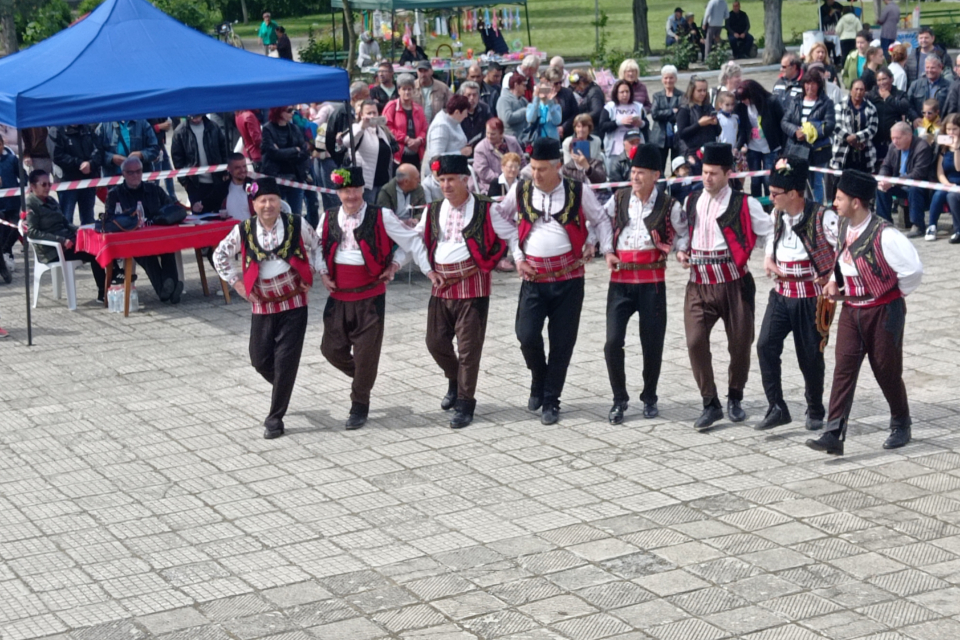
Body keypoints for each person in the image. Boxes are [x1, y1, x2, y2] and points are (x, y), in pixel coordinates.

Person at [496, 137, 614, 424]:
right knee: (526, 335)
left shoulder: (577, 189)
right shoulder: (522, 188)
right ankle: (539, 377)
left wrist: (597, 243)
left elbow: (601, 219)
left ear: (558, 167)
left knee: (562, 342)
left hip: (569, 277)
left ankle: (551, 399)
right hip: (533, 277)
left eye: (542, 169)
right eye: (533, 168)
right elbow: (498, 216)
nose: (535, 174)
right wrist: (517, 251)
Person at [806, 170, 922, 455]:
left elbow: (913, 271)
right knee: (843, 369)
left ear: (856, 202)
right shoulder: (844, 226)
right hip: (852, 309)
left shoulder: (886, 235)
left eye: (840, 198)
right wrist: (835, 282)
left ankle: (901, 422)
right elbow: (840, 261)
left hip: (883, 311)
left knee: (886, 369)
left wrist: (892, 294)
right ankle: (833, 434)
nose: (834, 203)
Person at [318, 166, 433, 429]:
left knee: (366, 352)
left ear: (363, 190)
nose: (351, 196)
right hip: (338, 297)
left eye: (356, 190)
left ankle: (359, 404)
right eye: (346, 191)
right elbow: (316, 247)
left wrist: (395, 265)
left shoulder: (381, 215)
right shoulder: (328, 217)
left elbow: (413, 241)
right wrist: (323, 273)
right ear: (338, 192)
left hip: (370, 297)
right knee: (330, 349)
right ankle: (363, 376)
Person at [214, 177, 321, 439]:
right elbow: (219, 255)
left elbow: (318, 246)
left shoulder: (296, 223)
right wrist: (237, 284)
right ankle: (283, 385)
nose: (268, 205)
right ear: (254, 204)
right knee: (259, 358)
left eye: (272, 199)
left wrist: (316, 274)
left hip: (294, 302)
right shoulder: (244, 229)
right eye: (262, 200)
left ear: (279, 201)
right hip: (261, 304)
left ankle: (275, 419)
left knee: (285, 359)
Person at [416, 155, 519, 428]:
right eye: (442, 181)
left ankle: (465, 403)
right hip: (441, 284)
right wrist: (407, 266)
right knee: (435, 342)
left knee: (469, 349)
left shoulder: (487, 208)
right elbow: (414, 240)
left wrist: (519, 259)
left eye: (451, 180)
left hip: (473, 284)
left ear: (466, 180)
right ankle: (454, 378)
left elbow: (512, 233)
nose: (446, 186)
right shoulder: (433, 209)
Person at [676, 142, 773, 430]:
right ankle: (710, 403)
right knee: (695, 342)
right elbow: (684, 232)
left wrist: (769, 258)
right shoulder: (692, 200)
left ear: (728, 174)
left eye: (714, 173)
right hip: (699, 282)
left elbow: (769, 231)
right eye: (704, 172)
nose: (707, 178)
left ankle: (735, 395)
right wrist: (682, 249)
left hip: (733, 281)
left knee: (741, 344)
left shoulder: (745, 203)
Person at [603, 144, 688, 424]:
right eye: (633, 171)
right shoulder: (619, 198)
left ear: (655, 175)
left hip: (652, 281)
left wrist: (681, 250)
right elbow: (602, 221)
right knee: (612, 342)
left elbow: (683, 232)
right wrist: (607, 250)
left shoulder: (669, 204)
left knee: (652, 342)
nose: (635, 177)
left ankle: (649, 396)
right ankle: (619, 399)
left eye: (641, 173)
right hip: (620, 280)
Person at [756, 159, 838, 432]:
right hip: (781, 291)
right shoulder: (777, 214)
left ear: (793, 193)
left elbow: (844, 248)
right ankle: (777, 407)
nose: (770, 198)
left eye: (775, 193)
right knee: (765, 345)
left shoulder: (823, 216)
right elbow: (770, 236)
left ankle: (815, 408)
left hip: (810, 296)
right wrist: (769, 258)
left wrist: (834, 278)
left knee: (810, 356)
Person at [104, 157, 184, 303]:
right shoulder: (114, 194)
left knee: (168, 247)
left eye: (138, 171)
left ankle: (167, 289)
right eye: (131, 172)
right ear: (123, 174)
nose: (135, 175)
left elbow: (172, 207)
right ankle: (168, 289)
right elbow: (109, 219)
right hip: (132, 240)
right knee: (147, 256)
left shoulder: (154, 189)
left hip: (158, 236)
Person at [25, 169, 107, 301]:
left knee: (100, 244)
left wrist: (80, 230)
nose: (48, 188)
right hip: (52, 250)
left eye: (49, 184)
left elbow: (64, 222)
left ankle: (114, 279)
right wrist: (61, 240)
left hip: (68, 242)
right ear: (33, 186)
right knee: (96, 253)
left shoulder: (50, 200)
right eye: (43, 184)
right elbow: (32, 232)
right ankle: (104, 292)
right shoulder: (30, 204)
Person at [781, 69, 836, 203]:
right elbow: (784, 122)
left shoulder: (826, 102)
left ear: (819, 85)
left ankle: (817, 210)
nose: (809, 87)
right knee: (799, 183)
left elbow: (829, 125)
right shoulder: (795, 101)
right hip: (796, 150)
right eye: (807, 83)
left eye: (813, 84)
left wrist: (810, 132)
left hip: (817, 151)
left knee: (817, 183)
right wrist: (795, 131)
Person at [876, 122, 934, 236]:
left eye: (898, 138)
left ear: (909, 135)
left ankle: (917, 225)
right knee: (880, 188)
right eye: (892, 138)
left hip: (921, 187)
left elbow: (918, 173)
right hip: (899, 184)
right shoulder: (893, 147)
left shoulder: (922, 147)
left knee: (914, 188)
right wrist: (883, 179)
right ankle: (884, 222)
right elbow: (885, 166)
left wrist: (893, 182)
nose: (894, 141)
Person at [829, 78, 878, 200]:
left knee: (861, 185)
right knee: (840, 184)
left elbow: (873, 128)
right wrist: (848, 138)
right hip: (843, 153)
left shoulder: (871, 108)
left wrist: (857, 137)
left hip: (864, 152)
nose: (859, 92)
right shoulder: (840, 106)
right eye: (856, 89)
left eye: (862, 90)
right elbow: (836, 126)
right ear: (851, 90)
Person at [341, 100, 396, 205]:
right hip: (366, 184)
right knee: (367, 214)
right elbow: (347, 142)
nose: (372, 116)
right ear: (361, 114)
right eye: (368, 113)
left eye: (374, 113)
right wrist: (362, 126)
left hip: (383, 182)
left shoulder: (381, 130)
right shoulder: (357, 128)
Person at [171, 114, 229, 214]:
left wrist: (225, 172)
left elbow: (224, 151)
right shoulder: (180, 132)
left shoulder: (214, 127)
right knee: (199, 218)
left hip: (217, 182)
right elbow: (177, 160)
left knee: (219, 215)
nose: (196, 117)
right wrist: (185, 183)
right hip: (195, 185)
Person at [737, 79, 785, 198]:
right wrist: (738, 146)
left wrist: (783, 148)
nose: (743, 102)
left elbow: (782, 125)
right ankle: (757, 203)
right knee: (755, 180)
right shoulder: (742, 107)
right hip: (753, 147)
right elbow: (743, 129)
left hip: (771, 147)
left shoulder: (771, 102)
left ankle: (771, 204)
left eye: (745, 98)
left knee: (768, 179)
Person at [261, 106, 311, 216]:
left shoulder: (295, 129)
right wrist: (294, 150)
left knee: (296, 215)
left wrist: (282, 151)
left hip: (295, 177)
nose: (292, 113)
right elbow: (273, 153)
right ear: (278, 111)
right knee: (275, 214)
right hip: (276, 178)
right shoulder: (268, 129)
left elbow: (304, 152)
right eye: (289, 111)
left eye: (294, 110)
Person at [50, 124, 101, 225]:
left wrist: (91, 164)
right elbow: (57, 156)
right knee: (66, 219)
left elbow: (99, 150)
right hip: (67, 182)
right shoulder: (56, 130)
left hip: (88, 181)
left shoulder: (88, 129)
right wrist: (79, 164)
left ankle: (87, 240)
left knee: (88, 218)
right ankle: (68, 240)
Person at [867, 68, 916, 165]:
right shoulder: (871, 95)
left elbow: (905, 107)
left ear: (891, 79)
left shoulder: (899, 94)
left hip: (894, 141)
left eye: (884, 79)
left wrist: (889, 98)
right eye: (879, 80)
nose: (881, 82)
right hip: (875, 140)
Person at [676, 76, 720, 173]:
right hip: (692, 153)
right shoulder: (685, 109)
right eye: (699, 90)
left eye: (704, 90)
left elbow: (718, 132)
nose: (703, 93)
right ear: (692, 90)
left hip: (708, 151)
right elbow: (682, 133)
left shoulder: (709, 107)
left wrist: (715, 124)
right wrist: (699, 124)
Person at [384, 74, 428, 168]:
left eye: (409, 89)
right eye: (404, 89)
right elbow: (387, 127)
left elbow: (425, 128)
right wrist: (405, 139)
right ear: (399, 90)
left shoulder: (418, 108)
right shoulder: (392, 106)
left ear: (413, 90)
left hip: (417, 153)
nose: (407, 92)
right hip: (398, 155)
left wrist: (418, 140)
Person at [600, 80, 646, 171]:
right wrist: (619, 122)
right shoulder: (610, 107)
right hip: (615, 148)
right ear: (616, 93)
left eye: (627, 91)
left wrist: (641, 123)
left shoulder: (638, 106)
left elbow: (646, 124)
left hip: (635, 147)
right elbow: (602, 126)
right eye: (622, 92)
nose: (625, 94)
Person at [423, 95, 471, 176]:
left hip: (455, 170)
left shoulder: (454, 120)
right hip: (441, 175)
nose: (466, 116)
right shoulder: (440, 127)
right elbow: (435, 156)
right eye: (465, 113)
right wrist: (460, 152)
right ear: (457, 112)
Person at [930, 114, 960, 242]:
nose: (951, 132)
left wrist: (957, 148)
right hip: (949, 183)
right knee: (938, 194)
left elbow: (958, 168)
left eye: (954, 129)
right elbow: (940, 172)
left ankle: (958, 230)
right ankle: (931, 226)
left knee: (951, 196)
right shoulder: (944, 147)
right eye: (948, 129)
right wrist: (946, 184)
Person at [325, 81, 370, 166]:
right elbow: (330, 139)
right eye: (366, 95)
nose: (369, 98)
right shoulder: (340, 113)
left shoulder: (367, 112)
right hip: (347, 162)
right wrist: (340, 159)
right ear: (356, 97)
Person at [473, 117, 523, 191]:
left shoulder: (513, 141)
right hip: (492, 186)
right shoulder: (480, 148)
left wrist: (517, 176)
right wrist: (504, 179)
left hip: (516, 181)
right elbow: (484, 172)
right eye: (487, 133)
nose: (489, 136)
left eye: (493, 134)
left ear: (501, 133)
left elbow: (522, 161)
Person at [650, 65, 682, 173]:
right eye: (666, 78)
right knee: (659, 167)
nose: (668, 80)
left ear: (676, 79)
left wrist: (663, 113)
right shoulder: (657, 96)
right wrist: (672, 111)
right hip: (659, 136)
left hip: (676, 136)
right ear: (662, 79)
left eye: (671, 77)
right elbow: (654, 114)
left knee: (677, 166)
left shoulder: (681, 95)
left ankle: (675, 189)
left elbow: (681, 114)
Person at [209, 153, 254, 221]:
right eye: (237, 168)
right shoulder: (221, 189)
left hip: (251, 229)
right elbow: (205, 206)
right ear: (229, 169)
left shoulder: (255, 185)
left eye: (244, 166)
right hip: (229, 229)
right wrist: (197, 206)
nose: (242, 170)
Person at [0, 137, 20, 281]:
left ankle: (5, 251)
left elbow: (23, 176)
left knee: (16, 227)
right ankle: (4, 260)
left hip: (13, 203)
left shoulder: (12, 160)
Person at [546, 68, 578, 140]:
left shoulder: (568, 93)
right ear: (548, 82)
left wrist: (563, 127)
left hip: (567, 132)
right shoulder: (542, 94)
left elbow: (575, 113)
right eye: (556, 83)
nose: (559, 85)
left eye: (560, 82)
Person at [497, 73, 530, 139]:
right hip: (510, 138)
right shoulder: (504, 100)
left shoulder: (523, 100)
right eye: (523, 85)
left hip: (524, 138)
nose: (525, 88)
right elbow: (507, 118)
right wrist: (524, 110)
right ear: (516, 85)